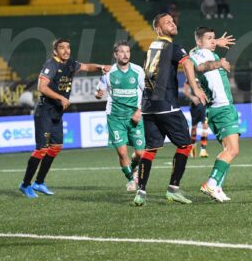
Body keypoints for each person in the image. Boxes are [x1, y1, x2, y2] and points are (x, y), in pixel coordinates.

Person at [133, 13, 210, 206]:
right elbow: (188, 64)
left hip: (148, 107)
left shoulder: (150, 48)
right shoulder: (172, 47)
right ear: (158, 29)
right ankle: (173, 189)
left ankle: (140, 192)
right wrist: (196, 88)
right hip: (165, 104)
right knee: (185, 145)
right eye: (167, 23)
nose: (173, 24)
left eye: (173, 21)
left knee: (150, 149)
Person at [18, 38, 110, 198]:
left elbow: (87, 66)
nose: (66, 50)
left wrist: (101, 67)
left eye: (68, 47)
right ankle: (25, 184)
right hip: (45, 111)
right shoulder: (51, 65)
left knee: (55, 147)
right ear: (55, 51)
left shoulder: (70, 64)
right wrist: (60, 97)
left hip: (56, 113)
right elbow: (42, 87)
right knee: (41, 150)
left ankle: (39, 182)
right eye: (62, 48)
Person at [191, 27, 241, 202]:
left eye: (214, 38)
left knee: (228, 150)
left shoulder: (199, 52)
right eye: (209, 38)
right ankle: (211, 184)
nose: (213, 41)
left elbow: (197, 53)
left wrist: (216, 42)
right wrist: (219, 63)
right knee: (233, 149)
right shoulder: (203, 56)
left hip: (219, 108)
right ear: (199, 42)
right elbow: (201, 67)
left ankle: (216, 187)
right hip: (222, 107)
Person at [95, 41, 146, 193]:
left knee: (140, 153)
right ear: (115, 54)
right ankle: (131, 179)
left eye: (128, 51)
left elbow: (148, 93)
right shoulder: (108, 73)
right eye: (122, 52)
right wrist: (98, 95)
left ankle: (134, 168)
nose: (125, 54)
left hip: (134, 117)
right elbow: (99, 92)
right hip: (115, 117)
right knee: (122, 152)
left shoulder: (138, 71)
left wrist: (139, 111)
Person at [183, 80, 209, 158]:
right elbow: (185, 91)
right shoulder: (190, 77)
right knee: (194, 128)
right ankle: (192, 148)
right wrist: (192, 97)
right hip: (194, 106)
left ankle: (203, 150)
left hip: (204, 105)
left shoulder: (204, 75)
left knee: (205, 126)